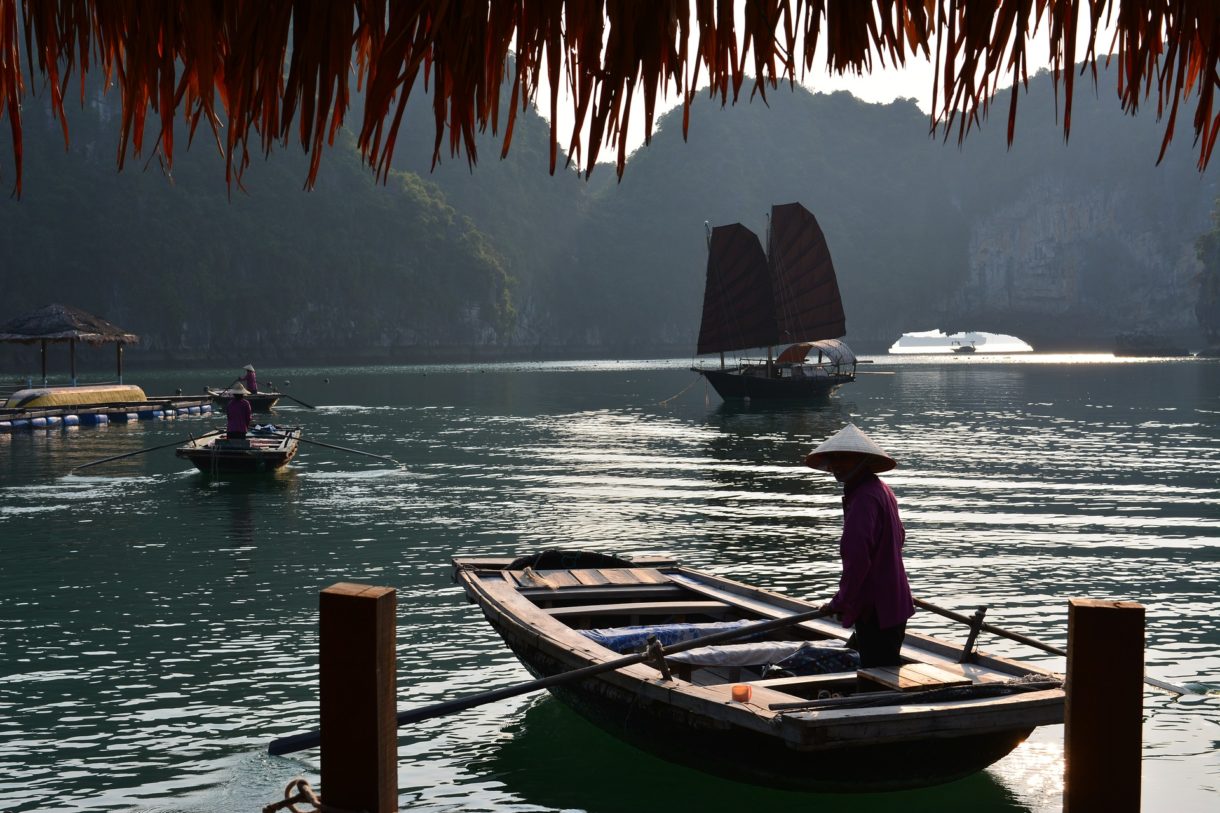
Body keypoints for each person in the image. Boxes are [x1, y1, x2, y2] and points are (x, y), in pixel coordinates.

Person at [804, 423, 914, 667]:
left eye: (845, 458)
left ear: (862, 460)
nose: (837, 465)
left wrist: (841, 601)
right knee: (882, 665)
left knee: (877, 674)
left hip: (876, 607)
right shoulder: (879, 489)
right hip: (893, 599)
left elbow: (857, 558)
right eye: (834, 459)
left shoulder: (864, 498)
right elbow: (899, 538)